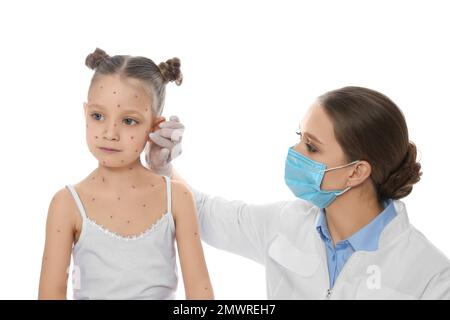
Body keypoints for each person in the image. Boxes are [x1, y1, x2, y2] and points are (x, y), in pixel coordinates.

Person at [148, 86, 450, 299]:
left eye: (312, 146)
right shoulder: (286, 223)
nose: (295, 152)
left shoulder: (431, 277)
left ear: (356, 172)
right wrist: (163, 167)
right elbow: (203, 213)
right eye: (299, 138)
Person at [38, 48, 213, 300]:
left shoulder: (176, 197)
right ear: (85, 113)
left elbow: (200, 293)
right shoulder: (66, 204)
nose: (110, 133)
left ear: (155, 126)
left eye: (129, 121)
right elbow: (50, 295)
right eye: (98, 116)